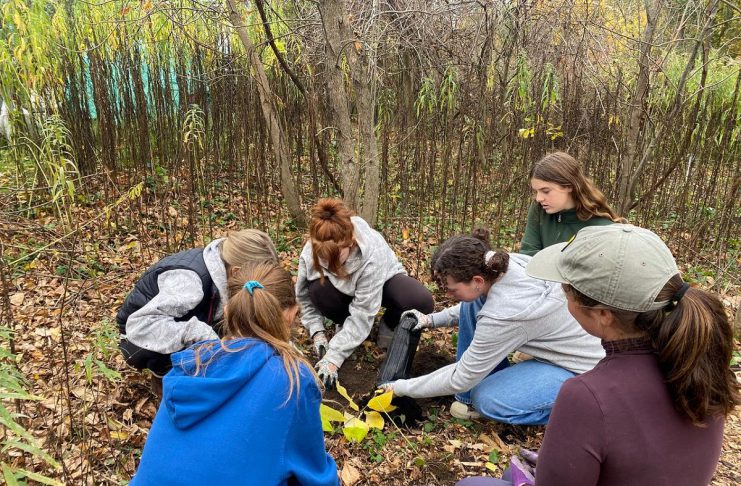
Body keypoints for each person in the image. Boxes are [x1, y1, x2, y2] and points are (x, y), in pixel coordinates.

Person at [458, 224, 740, 485]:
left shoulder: (586, 397)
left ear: (603, 315)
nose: (560, 295)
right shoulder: (701, 361)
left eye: (565, 291)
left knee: (470, 484)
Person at [131, 263, 339, 486]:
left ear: (229, 310)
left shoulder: (192, 363)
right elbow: (316, 477)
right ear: (291, 313)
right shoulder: (292, 379)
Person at [382, 231, 604, 425]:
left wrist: (400, 387)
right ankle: (467, 399)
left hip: (579, 369)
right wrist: (431, 320)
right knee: (472, 304)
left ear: (477, 280)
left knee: (489, 401)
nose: (447, 296)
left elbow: (461, 377)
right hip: (558, 345)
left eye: (451, 290)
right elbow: (471, 304)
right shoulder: (500, 266)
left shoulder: (506, 313)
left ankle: (580, 410)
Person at [296, 198, 434, 388]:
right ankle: (344, 323)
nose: (330, 266)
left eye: (337, 260)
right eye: (324, 261)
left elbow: (362, 314)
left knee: (419, 300)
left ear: (349, 243)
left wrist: (334, 357)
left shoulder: (370, 253)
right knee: (317, 290)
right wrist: (317, 332)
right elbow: (303, 296)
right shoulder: (312, 248)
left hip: (383, 283)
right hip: (340, 291)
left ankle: (388, 324)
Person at [117, 229, 278, 388]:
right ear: (236, 271)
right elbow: (139, 326)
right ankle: (168, 381)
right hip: (138, 337)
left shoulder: (223, 264)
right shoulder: (189, 282)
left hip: (186, 320)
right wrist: (203, 335)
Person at [520, 151, 621, 256]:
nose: (538, 198)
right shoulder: (539, 208)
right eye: (536, 191)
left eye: (546, 191)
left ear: (569, 186)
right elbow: (528, 254)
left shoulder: (602, 228)